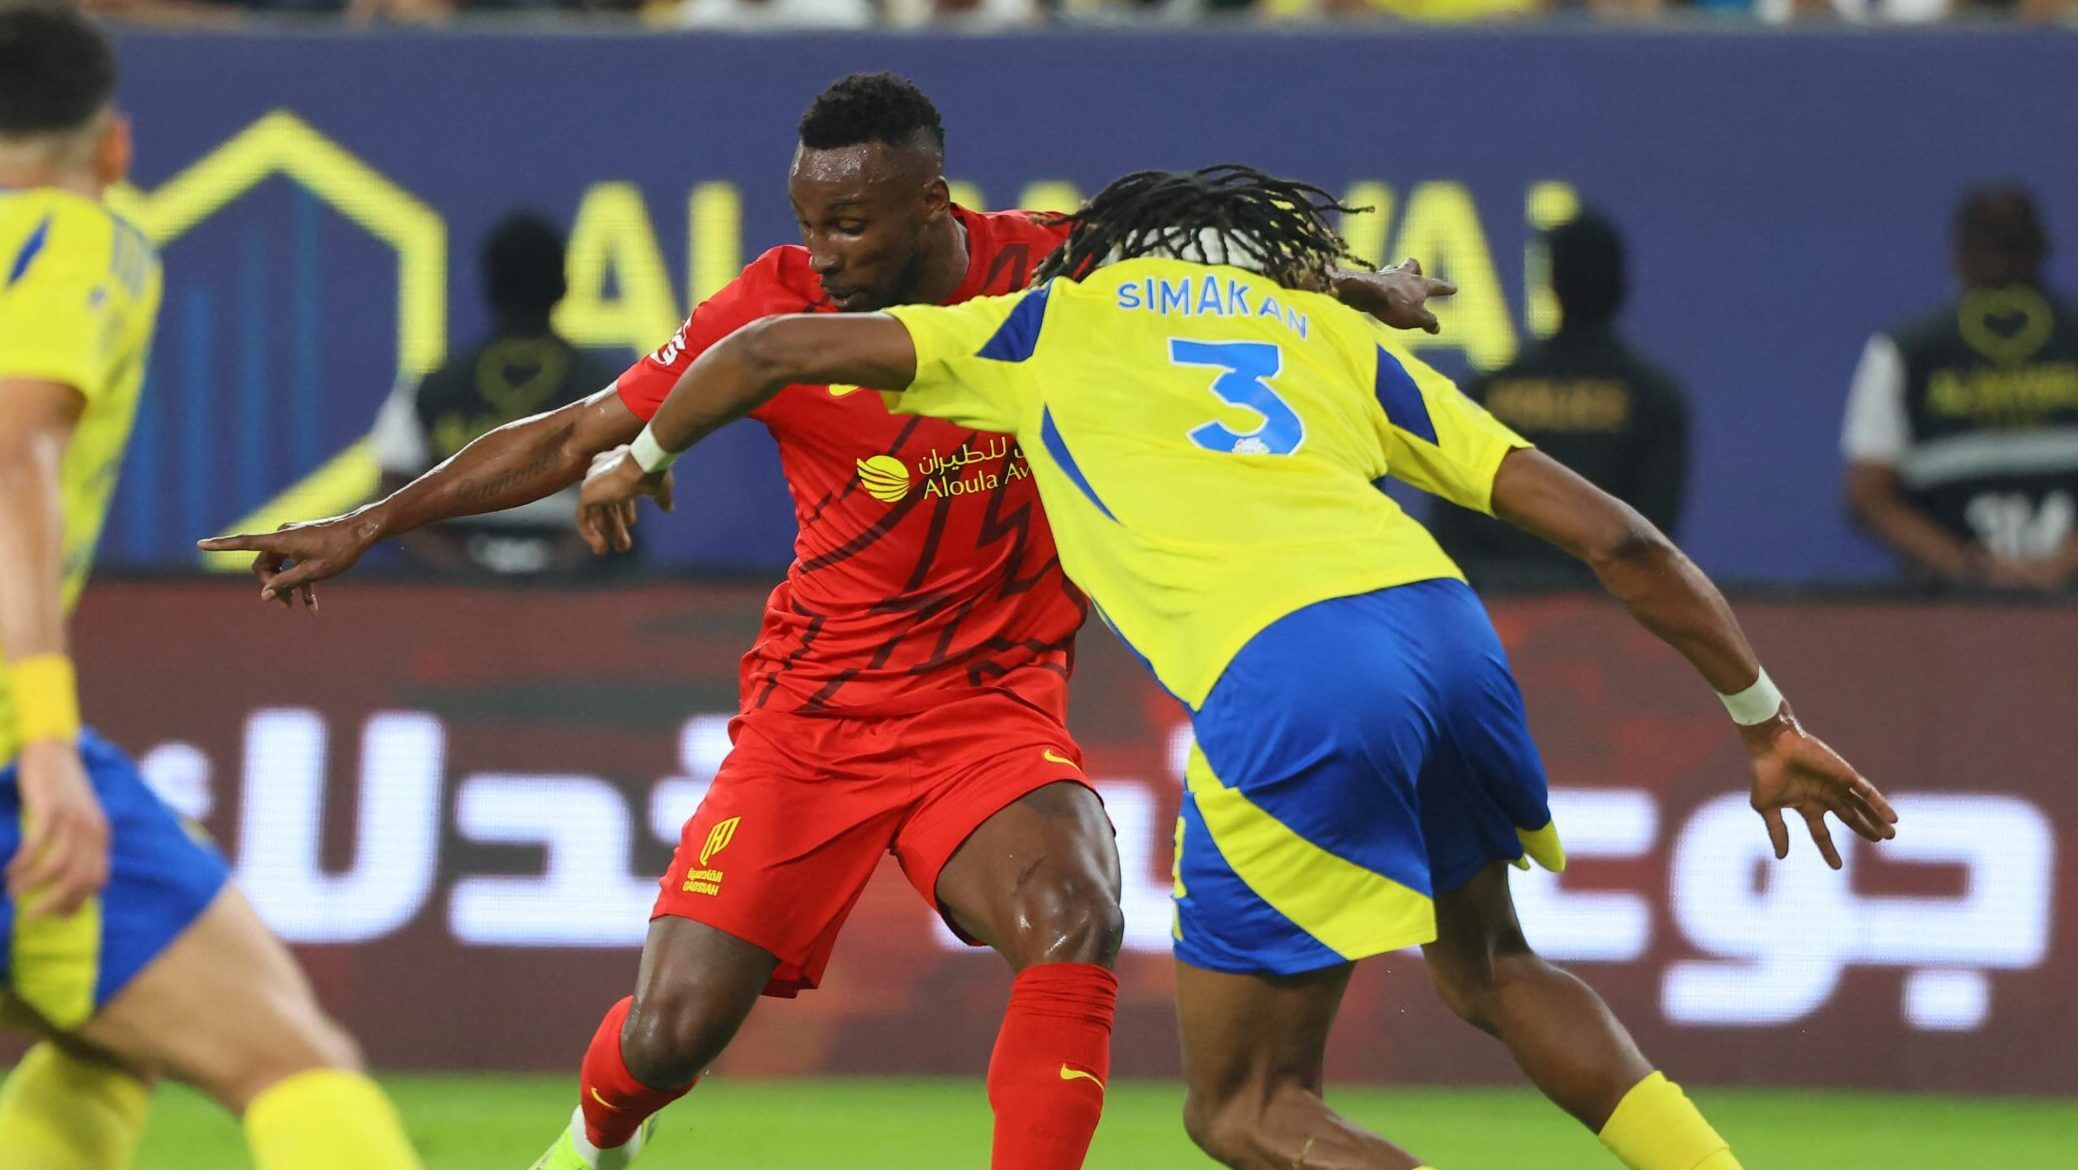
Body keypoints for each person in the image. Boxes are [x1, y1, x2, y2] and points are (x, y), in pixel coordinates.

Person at [196, 76, 1449, 1170]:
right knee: (668, 1036)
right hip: (814, 717)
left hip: (991, 706)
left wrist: (1361, 286)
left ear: (931, 204)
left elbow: (1222, 283)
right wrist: (370, 522)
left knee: (1075, 916)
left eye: (849, 224)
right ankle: (596, 1142)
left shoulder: (1058, 270)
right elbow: (580, 431)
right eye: (807, 222)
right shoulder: (771, 309)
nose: (824, 252)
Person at [579, 164, 1899, 1170]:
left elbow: (767, 350)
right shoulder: (1327, 340)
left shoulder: (1046, 326)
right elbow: (1620, 538)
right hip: (1444, 635)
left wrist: (639, 455)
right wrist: (1762, 720)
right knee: (1494, 967)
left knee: (1243, 1108)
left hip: (1295, 674)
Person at [0, 7, 421, 1169]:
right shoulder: (76, 233)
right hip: (10, 752)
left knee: (105, 1040)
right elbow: (13, 458)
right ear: (114, 148)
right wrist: (46, 740)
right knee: (287, 1061)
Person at [1431, 209, 1688, 590]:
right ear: (1621, 284)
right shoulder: (1654, 400)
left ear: (1551, 283)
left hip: (1499, 609)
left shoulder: (1486, 393)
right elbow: (1649, 541)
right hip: (1608, 612)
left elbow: (1451, 530)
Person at [1842, 185, 2078, 594]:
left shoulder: (1904, 349)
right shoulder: (1904, 354)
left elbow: (1867, 494)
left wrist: (1977, 570)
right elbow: (1868, 495)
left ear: (1958, 256)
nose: (2001, 263)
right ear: (2045, 250)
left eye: (2010, 249)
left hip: (1961, 600)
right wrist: (1971, 567)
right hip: (1955, 600)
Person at [369, 211, 621, 579]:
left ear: (488, 288)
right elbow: (631, 482)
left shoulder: (436, 386)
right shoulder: (602, 387)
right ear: (564, 285)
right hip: (572, 591)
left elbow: (391, 486)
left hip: (455, 592)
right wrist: (557, 571)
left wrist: (460, 572)